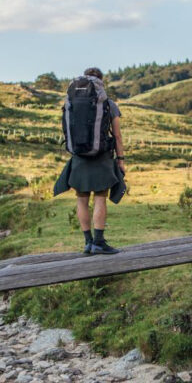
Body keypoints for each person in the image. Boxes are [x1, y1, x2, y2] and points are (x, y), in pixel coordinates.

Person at [53, 67, 126, 254]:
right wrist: (121, 159)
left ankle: (87, 242)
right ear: (101, 83)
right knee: (100, 198)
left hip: (78, 157)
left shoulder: (72, 102)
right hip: (101, 156)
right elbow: (117, 136)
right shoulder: (109, 104)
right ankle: (99, 242)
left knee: (81, 200)